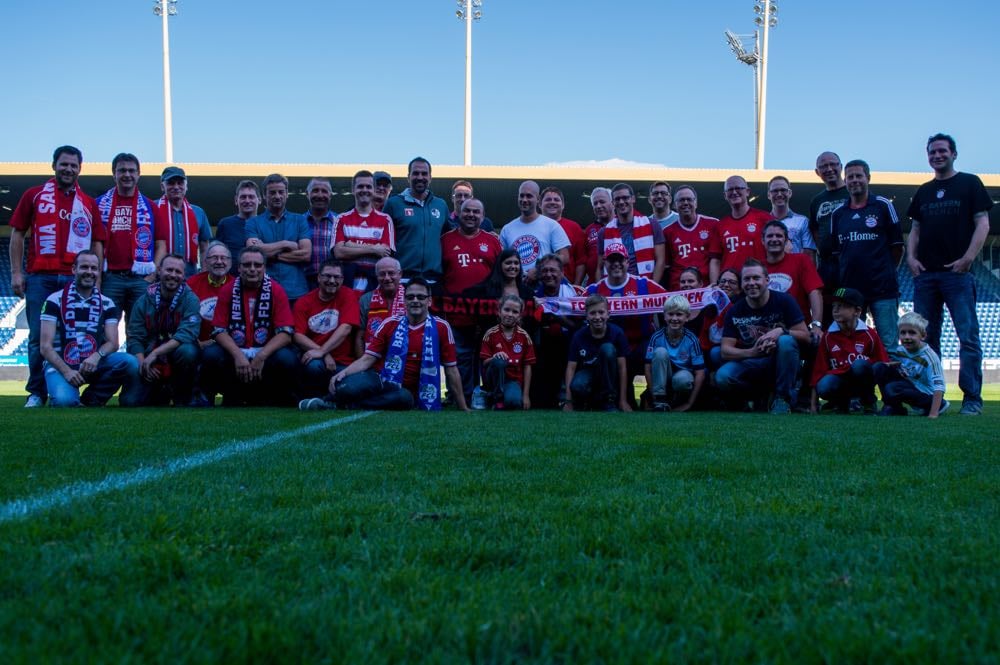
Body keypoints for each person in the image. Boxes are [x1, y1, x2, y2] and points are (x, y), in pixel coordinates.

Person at [9, 145, 107, 407]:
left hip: (76, 280)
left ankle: (77, 386)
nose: (68, 169)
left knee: (82, 335)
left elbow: (98, 242)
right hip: (41, 277)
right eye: (64, 164)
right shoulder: (35, 195)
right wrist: (17, 272)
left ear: (80, 169)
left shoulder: (87, 203)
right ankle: (37, 392)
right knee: (38, 337)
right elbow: (18, 233)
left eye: (74, 165)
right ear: (54, 165)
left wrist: (97, 279)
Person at [907, 132, 992, 416]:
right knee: (926, 340)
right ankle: (934, 399)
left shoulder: (970, 183)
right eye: (932, 152)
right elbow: (915, 229)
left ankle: (972, 400)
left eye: (942, 151)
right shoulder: (924, 191)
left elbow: (982, 223)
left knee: (967, 337)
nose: (937, 155)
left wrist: (969, 257)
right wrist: (911, 258)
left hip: (957, 274)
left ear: (953, 154)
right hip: (926, 277)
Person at [301, 278, 468, 411]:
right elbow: (367, 359)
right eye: (410, 297)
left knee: (403, 399)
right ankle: (324, 402)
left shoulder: (441, 327)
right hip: (380, 379)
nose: (415, 301)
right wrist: (342, 374)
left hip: (407, 391)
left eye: (421, 297)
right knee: (344, 386)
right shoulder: (389, 323)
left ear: (429, 301)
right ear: (404, 301)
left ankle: (348, 405)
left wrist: (463, 407)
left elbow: (451, 369)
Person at [39, 250, 140, 407]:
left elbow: (113, 343)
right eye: (84, 267)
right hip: (62, 364)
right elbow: (45, 347)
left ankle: (93, 398)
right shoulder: (54, 300)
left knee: (130, 362)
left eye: (94, 268)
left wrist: (96, 356)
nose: (89, 272)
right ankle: (66, 393)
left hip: (92, 362)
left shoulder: (107, 303)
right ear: (74, 269)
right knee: (65, 402)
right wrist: (66, 371)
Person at [202, 246, 298, 406]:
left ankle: (278, 399)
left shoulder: (277, 290)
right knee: (211, 355)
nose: (252, 269)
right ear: (239, 268)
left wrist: (261, 356)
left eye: (257, 265)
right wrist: (238, 355)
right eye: (247, 265)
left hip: (264, 351)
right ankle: (221, 398)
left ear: (264, 268)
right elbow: (218, 331)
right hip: (236, 350)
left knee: (287, 358)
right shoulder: (228, 290)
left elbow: (286, 333)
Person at [716, 259, 810, 414]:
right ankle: (756, 398)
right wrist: (752, 352)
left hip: (779, 361)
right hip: (750, 361)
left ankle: (783, 399)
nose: (751, 283)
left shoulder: (784, 301)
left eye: (756, 278)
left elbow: (806, 336)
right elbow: (725, 350)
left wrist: (781, 331)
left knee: (786, 341)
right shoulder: (735, 310)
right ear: (742, 284)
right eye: (746, 279)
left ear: (767, 280)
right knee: (723, 377)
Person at [831, 159, 904, 337]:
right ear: (845, 181)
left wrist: (884, 272)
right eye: (850, 177)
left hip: (883, 289)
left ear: (868, 178)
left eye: (858, 176)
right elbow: (837, 254)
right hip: (852, 292)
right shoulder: (838, 214)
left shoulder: (883, 205)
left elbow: (897, 247)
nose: (854, 180)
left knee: (888, 345)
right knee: (852, 342)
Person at [586, 242, 667, 401]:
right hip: (611, 346)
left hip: (640, 343)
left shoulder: (643, 284)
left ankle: (650, 400)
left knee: (651, 351)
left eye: (620, 259)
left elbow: (672, 301)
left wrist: (700, 294)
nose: (616, 264)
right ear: (605, 263)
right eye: (611, 260)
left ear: (627, 262)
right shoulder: (594, 290)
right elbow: (572, 306)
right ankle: (609, 399)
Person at [440, 198, 503, 404]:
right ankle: (461, 397)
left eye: (476, 212)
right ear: (458, 213)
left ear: (483, 217)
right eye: (467, 211)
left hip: (487, 314)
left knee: (487, 356)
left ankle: (489, 396)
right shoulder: (445, 240)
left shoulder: (492, 241)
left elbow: (500, 275)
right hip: (456, 313)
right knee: (461, 357)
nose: (471, 215)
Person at [126, 254, 203, 406]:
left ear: (184, 275)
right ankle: (159, 389)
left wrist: (156, 353)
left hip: (175, 354)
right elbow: (135, 337)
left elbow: (186, 334)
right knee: (131, 402)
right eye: (169, 270)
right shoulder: (144, 300)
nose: (173, 275)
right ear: (159, 270)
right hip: (149, 357)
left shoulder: (191, 299)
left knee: (188, 351)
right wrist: (143, 364)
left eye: (178, 272)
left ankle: (182, 396)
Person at [96, 152, 158, 325]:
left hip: (140, 280)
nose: (127, 175)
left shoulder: (150, 206)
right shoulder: (99, 204)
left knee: (139, 332)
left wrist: (152, 276)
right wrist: (99, 278)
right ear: (113, 173)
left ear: (138, 174)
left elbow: (161, 244)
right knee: (105, 330)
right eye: (122, 170)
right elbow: (97, 243)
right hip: (111, 279)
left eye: (132, 171)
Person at [809, 287, 887, 414]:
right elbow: (818, 371)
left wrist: (887, 403)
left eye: (842, 306)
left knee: (859, 365)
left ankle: (868, 402)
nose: (835, 310)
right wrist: (813, 406)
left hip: (862, 381)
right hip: (840, 381)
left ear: (857, 311)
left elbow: (883, 365)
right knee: (824, 385)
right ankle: (840, 403)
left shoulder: (870, 335)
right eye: (834, 306)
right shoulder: (828, 336)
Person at [293, 260, 360, 398]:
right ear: (318, 277)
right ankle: (315, 397)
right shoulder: (304, 302)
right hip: (318, 361)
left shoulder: (348, 295)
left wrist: (323, 351)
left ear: (342, 279)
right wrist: (323, 354)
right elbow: (297, 335)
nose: (332, 280)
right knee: (314, 366)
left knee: (352, 387)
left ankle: (328, 399)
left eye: (337, 277)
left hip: (343, 362)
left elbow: (346, 328)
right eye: (327, 276)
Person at [245, 173, 312, 303]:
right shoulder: (253, 223)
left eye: (281, 192)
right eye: (272, 192)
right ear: (264, 195)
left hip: (296, 292)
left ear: (287, 194)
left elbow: (305, 254)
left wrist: (269, 254)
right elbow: (253, 254)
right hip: (263, 292)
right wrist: (286, 244)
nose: (277, 196)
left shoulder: (300, 220)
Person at [382, 157, 450, 283]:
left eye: (424, 174)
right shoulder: (393, 204)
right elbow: (384, 241)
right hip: (402, 279)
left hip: (434, 280)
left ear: (430, 177)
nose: (420, 177)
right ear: (408, 177)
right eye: (415, 173)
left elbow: (452, 236)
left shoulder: (441, 205)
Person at [563, 294, 632, 412]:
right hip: (589, 372)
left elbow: (622, 368)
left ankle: (609, 401)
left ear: (608, 314)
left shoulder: (617, 333)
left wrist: (623, 400)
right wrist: (568, 401)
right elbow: (571, 368)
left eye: (601, 312)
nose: (597, 317)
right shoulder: (578, 336)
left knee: (607, 348)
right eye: (592, 313)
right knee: (578, 385)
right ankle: (588, 403)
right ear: (586, 316)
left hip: (611, 374)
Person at [531, 253, 582, 409]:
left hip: (567, 349)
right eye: (545, 271)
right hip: (541, 349)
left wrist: (554, 314)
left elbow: (578, 328)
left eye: (553, 270)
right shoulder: (532, 295)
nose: (549, 274)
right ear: (539, 274)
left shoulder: (574, 294)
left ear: (562, 273)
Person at [874, 311, 948, 418]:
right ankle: (893, 407)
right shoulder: (901, 350)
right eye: (903, 333)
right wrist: (889, 365)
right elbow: (907, 362)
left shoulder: (930, 358)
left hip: (928, 395)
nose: (907, 337)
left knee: (893, 387)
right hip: (912, 385)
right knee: (879, 367)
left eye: (912, 333)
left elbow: (939, 386)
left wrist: (933, 414)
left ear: (923, 336)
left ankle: (937, 406)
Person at [334, 170, 395, 293]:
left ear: (373, 190)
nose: (365, 190)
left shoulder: (386, 220)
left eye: (368, 187)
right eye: (360, 186)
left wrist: (350, 245)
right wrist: (373, 249)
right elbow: (339, 253)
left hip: (375, 288)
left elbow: (384, 253)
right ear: (353, 189)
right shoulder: (341, 218)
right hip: (346, 287)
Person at [762, 220, 824, 341]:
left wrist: (816, 325)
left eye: (779, 236)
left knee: (785, 342)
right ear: (762, 241)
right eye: (770, 236)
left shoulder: (801, 261)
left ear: (786, 241)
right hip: (765, 330)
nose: (774, 239)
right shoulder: (757, 267)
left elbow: (814, 292)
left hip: (797, 330)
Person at [499, 180, 570, 282]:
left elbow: (565, 257)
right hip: (517, 288)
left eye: (529, 196)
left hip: (544, 289)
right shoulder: (507, 229)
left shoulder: (552, 225)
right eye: (521, 196)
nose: (524, 199)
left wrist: (539, 269)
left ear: (538, 199)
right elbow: (502, 260)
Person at [644, 295, 706, 412]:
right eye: (671, 314)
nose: (674, 318)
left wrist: (689, 403)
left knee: (683, 380)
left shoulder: (692, 339)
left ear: (687, 317)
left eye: (679, 314)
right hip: (662, 379)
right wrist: (653, 395)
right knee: (660, 352)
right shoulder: (656, 337)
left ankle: (677, 402)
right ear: (664, 316)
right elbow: (647, 367)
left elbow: (700, 373)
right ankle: (659, 401)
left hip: (682, 379)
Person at [809, 151, 850, 324]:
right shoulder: (817, 200)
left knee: (849, 310)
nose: (829, 169)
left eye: (833, 164)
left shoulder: (852, 192)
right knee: (827, 313)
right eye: (823, 166)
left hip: (849, 262)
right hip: (827, 265)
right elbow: (816, 231)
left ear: (841, 167)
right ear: (817, 172)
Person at [597, 183, 665, 282]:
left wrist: (651, 287)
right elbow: (600, 267)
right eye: (617, 199)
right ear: (612, 203)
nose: (621, 202)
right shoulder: (603, 232)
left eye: (625, 198)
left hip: (644, 285)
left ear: (633, 199)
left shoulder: (652, 224)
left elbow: (661, 261)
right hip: (616, 288)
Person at [709, 175, 771, 283]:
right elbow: (715, 260)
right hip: (731, 285)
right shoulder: (720, 225)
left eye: (738, 188)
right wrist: (715, 285)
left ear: (747, 191)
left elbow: (781, 249)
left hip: (756, 283)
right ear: (725, 195)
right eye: (730, 189)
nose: (734, 192)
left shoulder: (764, 218)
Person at [479, 294, 536, 410]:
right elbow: (484, 363)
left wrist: (526, 396)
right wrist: (494, 358)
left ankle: (497, 398)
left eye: (515, 312)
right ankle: (496, 397)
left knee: (514, 403)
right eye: (506, 310)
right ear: (499, 311)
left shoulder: (524, 336)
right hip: (493, 379)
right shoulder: (490, 334)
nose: (510, 314)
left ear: (520, 315)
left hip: (513, 380)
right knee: (500, 361)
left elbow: (527, 366)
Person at [153, 166, 212, 277]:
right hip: (159, 277)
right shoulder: (152, 208)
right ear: (162, 186)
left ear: (186, 186)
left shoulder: (198, 212)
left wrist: (204, 275)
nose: (176, 187)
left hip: (190, 277)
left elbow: (205, 247)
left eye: (180, 183)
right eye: (171, 183)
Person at [662, 185, 718, 290]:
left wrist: (714, 286)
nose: (686, 203)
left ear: (696, 203)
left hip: (706, 289)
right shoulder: (667, 231)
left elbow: (717, 260)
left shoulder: (713, 225)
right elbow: (666, 267)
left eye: (689, 199)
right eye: (681, 200)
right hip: (678, 291)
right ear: (675, 205)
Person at [356, 257, 406, 357]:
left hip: (403, 359)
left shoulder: (411, 298)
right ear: (376, 276)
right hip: (370, 358)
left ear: (400, 274)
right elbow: (359, 337)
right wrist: (361, 366)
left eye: (391, 273)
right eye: (382, 274)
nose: (387, 278)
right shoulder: (366, 299)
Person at [187, 241, 235, 345]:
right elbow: (184, 318)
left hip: (229, 344)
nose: (219, 261)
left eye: (223, 258)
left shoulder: (237, 286)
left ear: (230, 262)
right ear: (206, 262)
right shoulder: (191, 284)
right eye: (214, 257)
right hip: (196, 343)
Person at [540, 186, 587, 284]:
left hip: (566, 288)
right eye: (548, 199)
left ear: (563, 205)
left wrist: (576, 287)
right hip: (537, 285)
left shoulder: (574, 227)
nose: (552, 202)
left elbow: (581, 261)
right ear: (540, 204)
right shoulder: (532, 227)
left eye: (556, 200)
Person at [214, 180, 260, 276]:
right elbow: (216, 255)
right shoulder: (225, 224)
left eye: (251, 197)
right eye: (243, 197)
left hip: (260, 283)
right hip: (230, 283)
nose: (247, 201)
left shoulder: (267, 224)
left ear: (259, 199)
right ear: (236, 200)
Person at [767, 176, 816, 260]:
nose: (779, 194)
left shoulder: (802, 221)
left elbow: (809, 255)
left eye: (783, 190)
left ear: (790, 193)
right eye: (775, 191)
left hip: (796, 272)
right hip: (770, 272)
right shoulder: (762, 221)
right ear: (769, 195)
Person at [303, 177, 339, 289]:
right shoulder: (297, 222)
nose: (320, 195)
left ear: (330, 195)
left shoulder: (339, 221)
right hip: (304, 283)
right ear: (307, 194)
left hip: (332, 283)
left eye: (324, 191)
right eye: (315, 190)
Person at [584, 187, 613, 283]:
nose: (598, 206)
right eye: (595, 203)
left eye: (602, 202)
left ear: (612, 203)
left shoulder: (621, 225)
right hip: (594, 286)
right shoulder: (588, 230)